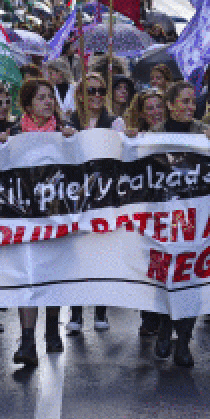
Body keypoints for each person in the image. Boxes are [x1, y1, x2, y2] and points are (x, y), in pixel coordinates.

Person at [9, 78, 76, 367]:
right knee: (27, 277)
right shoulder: (11, 133)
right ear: (26, 105)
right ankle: (26, 340)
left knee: (52, 274)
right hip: (23, 217)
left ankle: (51, 329)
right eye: (41, 98)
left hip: (56, 214)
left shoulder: (65, 133)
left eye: (51, 97)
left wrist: (74, 142)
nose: (48, 102)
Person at [152, 82, 210, 368]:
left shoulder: (202, 132)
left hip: (195, 218)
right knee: (165, 276)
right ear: (169, 105)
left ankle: (184, 341)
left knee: (191, 277)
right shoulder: (153, 135)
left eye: (193, 102)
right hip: (163, 217)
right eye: (184, 102)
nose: (190, 107)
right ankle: (165, 327)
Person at [65, 73, 123, 333]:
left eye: (101, 91)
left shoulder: (115, 122)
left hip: (105, 197)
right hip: (77, 199)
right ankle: (76, 313)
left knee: (101, 255)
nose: (97, 96)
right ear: (80, 95)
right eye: (91, 91)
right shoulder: (68, 123)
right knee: (76, 257)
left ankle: (101, 311)